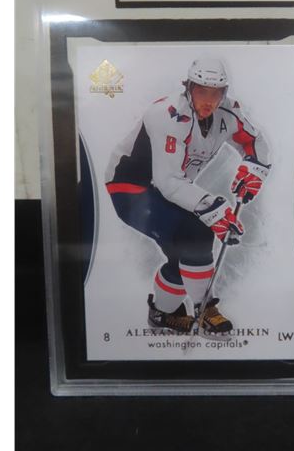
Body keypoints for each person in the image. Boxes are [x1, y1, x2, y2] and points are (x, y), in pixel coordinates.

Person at [105, 57, 271, 336]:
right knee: (197, 234)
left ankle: (161, 313)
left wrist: (254, 169)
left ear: (224, 93)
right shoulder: (166, 115)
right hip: (130, 187)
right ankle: (205, 310)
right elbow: (168, 182)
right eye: (202, 91)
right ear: (188, 87)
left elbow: (253, 141)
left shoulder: (228, 112)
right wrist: (214, 210)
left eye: (216, 93)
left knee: (185, 255)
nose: (209, 100)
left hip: (170, 188)